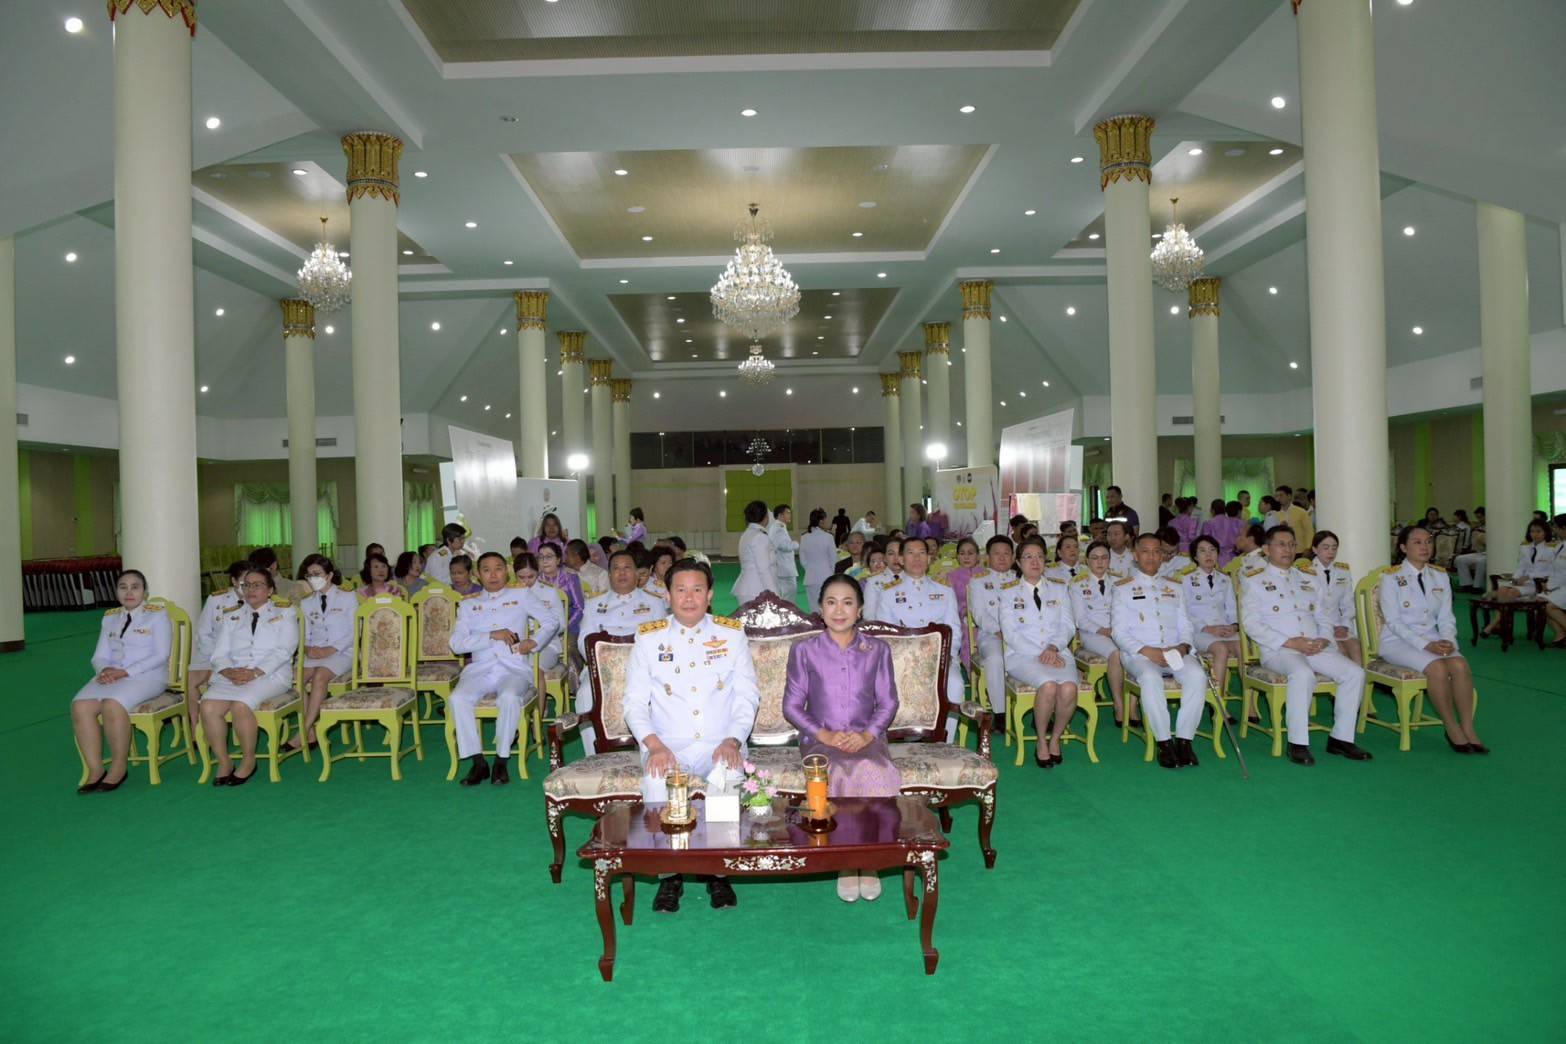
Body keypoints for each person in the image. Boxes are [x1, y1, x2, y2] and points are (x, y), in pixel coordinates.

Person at [625, 559, 760, 913]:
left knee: (729, 777)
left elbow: (747, 697)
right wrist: (653, 745)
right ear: (667, 595)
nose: (689, 598)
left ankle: (718, 872)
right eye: (680, 590)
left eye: (697, 589)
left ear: (710, 595)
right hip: (667, 744)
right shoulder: (649, 636)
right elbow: (635, 704)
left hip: (720, 741)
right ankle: (670, 875)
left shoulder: (731, 633)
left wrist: (733, 740)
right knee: (656, 783)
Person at [783, 573, 902, 902]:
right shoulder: (805, 650)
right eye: (831, 602)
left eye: (847, 602)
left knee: (871, 769)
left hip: (868, 738)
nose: (839, 610)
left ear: (860, 609)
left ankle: (871, 860)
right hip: (820, 740)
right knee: (839, 770)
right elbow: (792, 705)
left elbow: (888, 701)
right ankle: (848, 862)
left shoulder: (877, 649)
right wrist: (825, 734)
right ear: (820, 609)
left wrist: (867, 735)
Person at [1239, 526, 1371, 766]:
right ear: (1267, 550)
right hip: (1280, 650)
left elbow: (1323, 617)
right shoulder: (1254, 581)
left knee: (1354, 672)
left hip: (1315, 646)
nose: (1288, 549)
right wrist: (1291, 642)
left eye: (1291, 544)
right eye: (1281, 544)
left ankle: (1341, 738)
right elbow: (1251, 624)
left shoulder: (1309, 578)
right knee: (1302, 674)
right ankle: (1298, 742)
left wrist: (1324, 639)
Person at [448, 551, 552, 786]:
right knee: (457, 699)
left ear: (507, 571)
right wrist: (491, 636)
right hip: (480, 669)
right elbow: (456, 644)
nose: (493, 575)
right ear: (477, 574)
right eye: (486, 570)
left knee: (508, 697)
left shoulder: (522, 595)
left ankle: (501, 761)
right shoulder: (468, 605)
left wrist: (533, 642)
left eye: (498, 568)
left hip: (513, 667)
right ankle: (478, 762)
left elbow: (551, 621)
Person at [1378, 525, 1485, 753]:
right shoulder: (1390, 578)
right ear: (1403, 547)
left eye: (1428, 541)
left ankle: (1468, 727)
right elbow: (1394, 622)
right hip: (1397, 642)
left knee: (1459, 664)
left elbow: (1446, 616)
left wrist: (1448, 640)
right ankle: (1451, 727)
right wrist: (1426, 645)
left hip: (1434, 638)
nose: (1425, 546)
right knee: (1437, 669)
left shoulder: (1439, 575)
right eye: (1417, 542)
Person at [1111, 532, 1210, 769]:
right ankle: (1164, 741)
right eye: (1145, 551)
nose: (1152, 556)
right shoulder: (1122, 588)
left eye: (1157, 551)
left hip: (1175, 651)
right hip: (1140, 654)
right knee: (1149, 677)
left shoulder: (1174, 586)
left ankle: (1185, 740)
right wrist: (1147, 651)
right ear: (1135, 555)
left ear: (1163, 556)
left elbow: (1186, 624)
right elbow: (1119, 632)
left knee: (1197, 676)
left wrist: (1184, 646)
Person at [70, 569, 173, 793]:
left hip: (148, 677)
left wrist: (125, 672)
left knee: (111, 705)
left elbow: (161, 655)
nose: (129, 592)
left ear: (145, 592)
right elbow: (99, 655)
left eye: (135, 587)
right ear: (116, 591)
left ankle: (118, 767)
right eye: (123, 587)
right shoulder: (110, 617)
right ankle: (95, 770)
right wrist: (104, 669)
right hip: (112, 676)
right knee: (80, 706)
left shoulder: (157, 615)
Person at [200, 567, 301, 786]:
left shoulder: (285, 613)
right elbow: (219, 654)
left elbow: (285, 651)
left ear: (270, 590)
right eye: (246, 585)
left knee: (240, 706)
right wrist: (228, 671)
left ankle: (248, 761)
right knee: (207, 706)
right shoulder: (232, 616)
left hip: (270, 676)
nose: (251, 589)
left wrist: (254, 672)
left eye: (257, 585)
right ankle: (224, 762)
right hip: (233, 675)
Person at [998, 538, 1082, 768]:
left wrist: (1053, 648)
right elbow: (1011, 634)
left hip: (1058, 652)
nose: (1035, 561)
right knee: (1048, 686)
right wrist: (1042, 653)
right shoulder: (1007, 593)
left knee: (1068, 688)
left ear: (1046, 560)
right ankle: (1041, 741)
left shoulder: (1059, 587)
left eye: (1039, 556)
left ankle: (1055, 738)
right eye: (1028, 556)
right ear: (1018, 562)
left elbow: (1067, 625)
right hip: (1023, 656)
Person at [576, 550, 670, 752]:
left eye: (627, 567)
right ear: (609, 575)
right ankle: (594, 756)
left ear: (638, 573)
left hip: (642, 670)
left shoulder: (654, 603)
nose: (622, 573)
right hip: (602, 671)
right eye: (616, 569)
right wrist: (606, 663)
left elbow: (662, 640)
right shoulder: (594, 604)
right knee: (585, 694)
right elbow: (583, 640)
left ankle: (650, 750)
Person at [863, 536, 964, 716]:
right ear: (901, 560)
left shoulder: (945, 592)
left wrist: (946, 654)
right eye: (910, 553)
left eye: (922, 553)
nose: (917, 558)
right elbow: (886, 635)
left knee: (955, 685)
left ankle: (943, 739)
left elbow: (954, 630)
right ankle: (909, 732)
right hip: (903, 660)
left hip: (940, 658)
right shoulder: (888, 594)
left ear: (929, 558)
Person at [284, 554, 357, 755]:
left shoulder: (347, 596)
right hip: (314, 652)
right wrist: (308, 649)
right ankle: (312, 731)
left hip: (342, 653)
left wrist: (330, 650)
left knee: (319, 677)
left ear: (330, 575)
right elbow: (304, 633)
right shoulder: (307, 602)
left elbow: (354, 632)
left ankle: (303, 730)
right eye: (309, 575)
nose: (312, 578)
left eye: (317, 574)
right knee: (296, 678)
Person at [1070, 541, 1132, 729]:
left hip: (1119, 630)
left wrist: (1119, 629)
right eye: (1095, 558)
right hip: (1093, 634)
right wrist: (1104, 630)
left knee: (1136, 652)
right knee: (1115, 654)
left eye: (1104, 557)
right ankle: (1119, 705)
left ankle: (1134, 706)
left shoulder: (1120, 582)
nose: (1100, 562)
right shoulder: (1077, 584)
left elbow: (1129, 611)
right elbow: (1080, 619)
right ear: (1086, 560)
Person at [186, 560, 251, 734]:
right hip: (211, 654)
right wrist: (215, 658)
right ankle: (196, 726)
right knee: (190, 681)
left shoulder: (256, 601)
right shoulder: (216, 600)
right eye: (244, 583)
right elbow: (203, 632)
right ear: (234, 581)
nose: (248, 588)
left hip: (240, 658)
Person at [1179, 536, 1240, 703]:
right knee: (1221, 649)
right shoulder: (1186, 580)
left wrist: (1234, 627)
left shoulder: (1224, 579)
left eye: (1212, 550)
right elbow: (1183, 613)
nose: (1208, 555)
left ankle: (1249, 707)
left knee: (1243, 648)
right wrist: (1208, 628)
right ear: (1195, 556)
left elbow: (1232, 609)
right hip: (1200, 632)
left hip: (1225, 630)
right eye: (1203, 551)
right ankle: (1217, 702)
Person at [969, 536, 1019, 727]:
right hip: (991, 635)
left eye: (1007, 553)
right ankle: (1000, 713)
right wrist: (999, 631)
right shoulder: (978, 581)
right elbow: (979, 614)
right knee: (996, 658)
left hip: (1022, 634)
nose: (1002, 557)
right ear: (987, 557)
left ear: (1014, 557)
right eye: (996, 553)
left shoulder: (1020, 579)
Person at [1308, 531, 1361, 664]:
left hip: (1339, 626)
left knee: (1356, 648)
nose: (1330, 552)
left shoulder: (1343, 571)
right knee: (1340, 652)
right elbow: (1308, 607)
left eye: (1334, 548)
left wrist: (1344, 625)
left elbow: (1348, 604)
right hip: (1318, 627)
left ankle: (1360, 684)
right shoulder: (1304, 572)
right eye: (1325, 548)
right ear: (1315, 549)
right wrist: (1329, 628)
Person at [511, 553, 568, 674]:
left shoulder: (549, 592)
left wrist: (539, 635)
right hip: (517, 645)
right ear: (515, 574)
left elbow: (561, 624)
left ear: (538, 572)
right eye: (521, 577)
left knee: (531, 666)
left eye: (530, 577)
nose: (526, 582)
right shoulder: (509, 594)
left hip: (546, 645)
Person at [536, 542, 584, 659]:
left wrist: (564, 627)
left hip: (568, 625)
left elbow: (579, 608)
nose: (544, 560)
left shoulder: (570, 578)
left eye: (549, 556)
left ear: (558, 560)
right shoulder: (535, 581)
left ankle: (570, 677)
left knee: (569, 650)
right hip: (541, 627)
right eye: (541, 557)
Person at [944, 538, 983, 670]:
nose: (966, 557)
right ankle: (974, 677)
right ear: (957, 557)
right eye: (962, 553)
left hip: (985, 621)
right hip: (962, 621)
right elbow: (949, 605)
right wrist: (963, 612)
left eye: (970, 553)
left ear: (977, 556)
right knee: (967, 637)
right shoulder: (950, 577)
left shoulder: (985, 575)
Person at [732, 499, 779, 604]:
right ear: (765, 517)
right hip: (756, 590)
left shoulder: (748, 533)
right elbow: (764, 570)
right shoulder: (760, 537)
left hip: (750, 589)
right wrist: (775, 595)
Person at [800, 509, 838, 614]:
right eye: (825, 520)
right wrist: (830, 573)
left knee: (814, 609)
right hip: (826, 576)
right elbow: (833, 559)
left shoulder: (804, 537)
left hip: (810, 577)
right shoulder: (828, 537)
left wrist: (810, 570)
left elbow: (803, 560)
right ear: (821, 521)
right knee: (827, 607)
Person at [768, 503, 800, 600]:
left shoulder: (780, 527)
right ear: (780, 515)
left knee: (788, 595)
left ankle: (785, 613)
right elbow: (783, 546)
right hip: (784, 569)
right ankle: (786, 614)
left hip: (784, 567)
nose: (790, 515)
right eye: (787, 513)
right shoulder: (778, 528)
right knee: (789, 595)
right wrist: (796, 543)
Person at [424, 522, 468, 587]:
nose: (463, 541)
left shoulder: (455, 554)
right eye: (460, 539)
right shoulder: (438, 556)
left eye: (464, 538)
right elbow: (439, 582)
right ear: (449, 540)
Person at [1202, 500, 1246, 565]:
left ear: (1212, 510)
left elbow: (1206, 542)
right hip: (1234, 557)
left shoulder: (1209, 523)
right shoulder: (1235, 522)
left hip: (1215, 558)